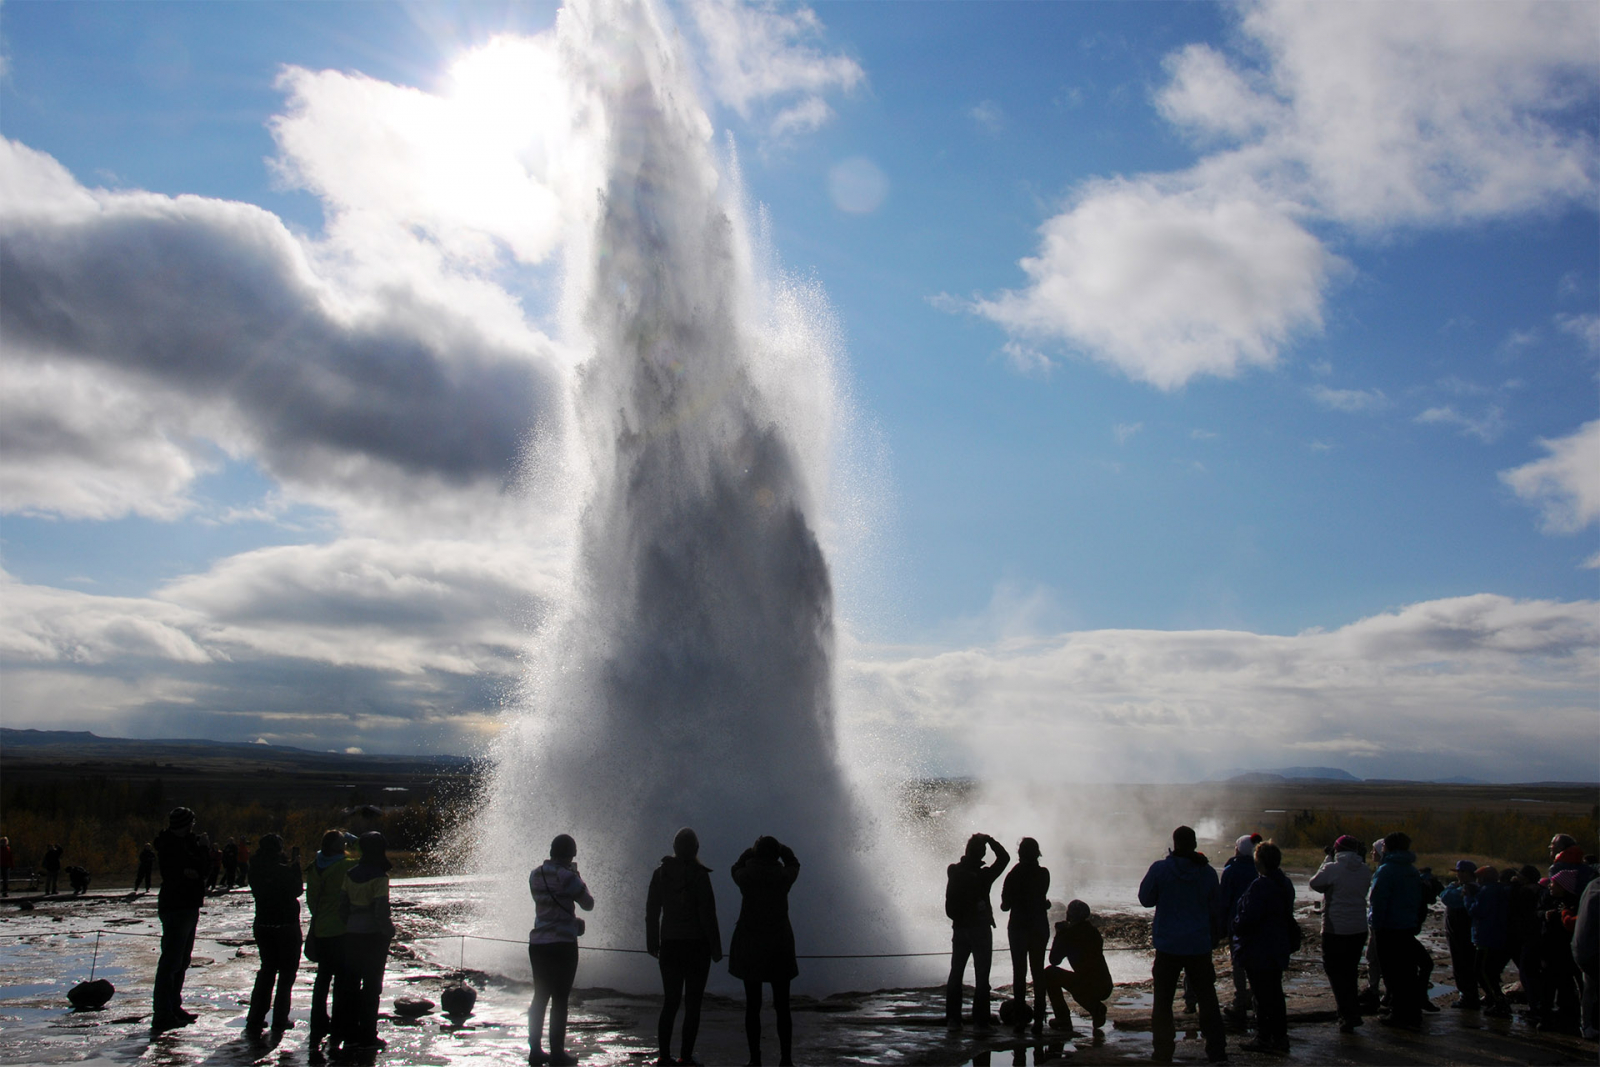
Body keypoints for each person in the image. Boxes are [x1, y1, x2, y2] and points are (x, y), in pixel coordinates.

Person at [1138, 826, 1227, 1065]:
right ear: (1194, 844)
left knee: (1163, 1002)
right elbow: (1216, 908)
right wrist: (1215, 935)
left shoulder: (1160, 869)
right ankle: (1217, 1051)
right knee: (1208, 999)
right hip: (1198, 945)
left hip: (1168, 946)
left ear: (1174, 843)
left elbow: (1145, 899)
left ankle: (1163, 1052)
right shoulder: (1207, 873)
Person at [646, 828, 722, 1067]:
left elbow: (652, 911)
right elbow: (708, 914)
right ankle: (686, 1057)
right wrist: (716, 947)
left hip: (670, 945)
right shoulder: (700, 875)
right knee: (693, 1004)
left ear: (674, 848)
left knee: (670, 1002)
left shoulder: (661, 874)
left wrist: (652, 941)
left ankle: (664, 1056)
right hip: (697, 947)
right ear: (696, 849)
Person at [729, 836, 801, 1067]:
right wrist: (783, 849)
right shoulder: (783, 877)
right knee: (782, 1006)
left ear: (756, 853)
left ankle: (755, 1059)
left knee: (753, 1006)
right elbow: (794, 864)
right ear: (775, 854)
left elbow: (735, 867)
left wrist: (749, 852)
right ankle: (786, 1059)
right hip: (779, 946)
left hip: (751, 946)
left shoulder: (746, 877)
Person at [529, 833, 594, 1067]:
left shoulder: (535, 874)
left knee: (540, 997)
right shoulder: (567, 876)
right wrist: (577, 876)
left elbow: (547, 906)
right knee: (560, 999)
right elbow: (588, 903)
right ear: (570, 855)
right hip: (563, 945)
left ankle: (535, 1050)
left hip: (538, 944)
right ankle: (557, 1052)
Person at [1232, 841, 1295, 1055]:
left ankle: (1265, 1037)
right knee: (1275, 993)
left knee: (1262, 995)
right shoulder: (1284, 883)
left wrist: (1236, 926)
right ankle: (1279, 1036)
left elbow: (1247, 918)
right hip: (1278, 945)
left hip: (1259, 947)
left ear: (1259, 862)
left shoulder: (1261, 886)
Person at [151, 807, 208, 1033]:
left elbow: (202, 870)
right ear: (185, 824)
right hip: (177, 905)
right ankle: (162, 1013)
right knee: (171, 962)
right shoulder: (171, 845)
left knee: (182, 960)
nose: (193, 826)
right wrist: (200, 855)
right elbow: (188, 870)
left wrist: (198, 863)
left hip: (188, 903)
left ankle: (173, 1006)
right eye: (191, 823)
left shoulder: (187, 843)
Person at [337, 831, 395, 1053]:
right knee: (372, 987)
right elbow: (381, 910)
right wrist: (389, 931)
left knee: (351, 986)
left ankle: (350, 1035)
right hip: (373, 938)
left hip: (351, 935)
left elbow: (342, 907)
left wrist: (350, 924)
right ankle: (368, 1035)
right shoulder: (380, 877)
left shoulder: (350, 874)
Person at [944, 833, 1009, 1031]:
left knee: (956, 974)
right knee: (982, 976)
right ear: (982, 854)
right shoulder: (983, 876)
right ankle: (981, 1022)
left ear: (967, 851)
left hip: (960, 928)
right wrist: (991, 841)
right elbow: (1004, 858)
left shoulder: (954, 871)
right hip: (980, 928)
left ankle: (953, 1020)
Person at [1309, 835, 1371, 1032]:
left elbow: (1315, 884)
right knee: (1350, 971)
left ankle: (1347, 1014)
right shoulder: (1365, 869)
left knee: (1335, 971)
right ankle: (1352, 1011)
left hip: (1335, 928)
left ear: (1337, 851)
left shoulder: (1332, 868)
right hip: (1359, 928)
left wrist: (1327, 860)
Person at [305, 829, 356, 1058]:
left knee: (323, 978)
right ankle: (338, 1026)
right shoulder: (344, 866)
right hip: (340, 930)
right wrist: (355, 841)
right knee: (342, 981)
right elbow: (368, 857)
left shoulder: (314, 867)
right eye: (343, 843)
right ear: (339, 847)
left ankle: (317, 1022)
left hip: (320, 929)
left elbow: (311, 901)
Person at [245, 834, 303, 1034]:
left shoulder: (255, 870)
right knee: (287, 973)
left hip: (263, 923)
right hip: (286, 924)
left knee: (267, 970)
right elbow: (297, 890)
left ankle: (255, 1016)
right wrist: (295, 868)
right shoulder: (284, 871)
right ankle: (280, 1018)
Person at [1368, 831, 1425, 1029]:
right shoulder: (1411, 870)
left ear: (1388, 847)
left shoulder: (1387, 870)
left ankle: (1400, 1013)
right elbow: (1418, 898)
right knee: (1407, 971)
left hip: (1388, 926)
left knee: (1392, 972)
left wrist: (1376, 924)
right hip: (1407, 925)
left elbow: (1378, 900)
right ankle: (1412, 1012)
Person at [999, 837, 1050, 1032]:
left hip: (1018, 926)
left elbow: (1005, 906)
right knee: (1038, 971)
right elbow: (1040, 898)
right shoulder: (1043, 874)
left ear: (1020, 853)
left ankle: (1020, 1019)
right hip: (1039, 926)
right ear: (1037, 853)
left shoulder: (1013, 874)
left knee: (1019, 972)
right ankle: (1039, 1020)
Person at [1043, 899, 1111, 1036]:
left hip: (1088, 984)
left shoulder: (1070, 935)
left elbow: (1054, 960)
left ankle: (1063, 1018)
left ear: (1070, 915)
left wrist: (1059, 934)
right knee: (1078, 990)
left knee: (1050, 973)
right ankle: (1095, 1009)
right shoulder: (1092, 932)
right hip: (1105, 984)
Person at [1218, 833, 1262, 1024]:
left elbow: (1224, 901)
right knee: (1258, 964)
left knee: (1238, 965)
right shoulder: (1260, 869)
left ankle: (1240, 1003)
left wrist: (1220, 926)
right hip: (1259, 925)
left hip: (1237, 924)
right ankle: (1257, 1002)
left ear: (1238, 850)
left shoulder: (1231, 870)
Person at [1468, 865, 1512, 1017]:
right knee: (1490, 971)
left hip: (1486, 936)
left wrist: (1468, 897)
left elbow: (1476, 911)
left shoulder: (1487, 891)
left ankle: (1498, 1001)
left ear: (1483, 878)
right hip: (1498, 935)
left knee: (1483, 971)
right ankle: (1494, 998)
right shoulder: (1502, 889)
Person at [1439, 860, 1480, 1010]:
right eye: (1458, 872)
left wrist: (1451, 887)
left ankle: (1468, 996)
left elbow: (1446, 898)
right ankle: (1469, 994)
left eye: (1461, 872)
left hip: (1461, 931)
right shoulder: (1469, 888)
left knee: (1462, 963)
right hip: (1458, 930)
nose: (1459, 875)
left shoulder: (1469, 889)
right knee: (1464, 962)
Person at [1573, 875, 1598, 1041]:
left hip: (1582, 948)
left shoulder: (1592, 886)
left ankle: (1586, 1025)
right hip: (1592, 950)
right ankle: (1589, 1024)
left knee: (1589, 989)